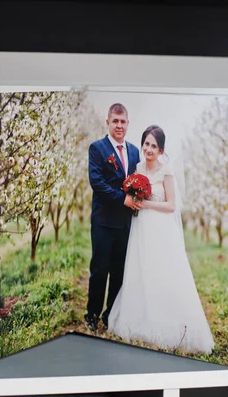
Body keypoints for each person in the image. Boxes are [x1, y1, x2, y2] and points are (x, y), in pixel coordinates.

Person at [107, 125, 215, 354]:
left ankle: (165, 321)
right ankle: (140, 319)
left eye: (153, 145)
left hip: (161, 228)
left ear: (161, 149)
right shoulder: (137, 168)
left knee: (161, 272)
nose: (148, 149)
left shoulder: (166, 172)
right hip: (141, 228)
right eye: (146, 143)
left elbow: (171, 205)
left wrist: (146, 204)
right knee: (141, 269)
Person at [85, 103, 141, 331]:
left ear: (128, 124)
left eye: (123, 121)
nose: (119, 125)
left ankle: (111, 315)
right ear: (107, 122)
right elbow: (97, 183)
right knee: (100, 270)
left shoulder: (135, 151)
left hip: (127, 223)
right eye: (115, 121)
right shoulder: (97, 149)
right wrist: (123, 199)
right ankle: (92, 314)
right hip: (103, 222)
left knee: (119, 271)